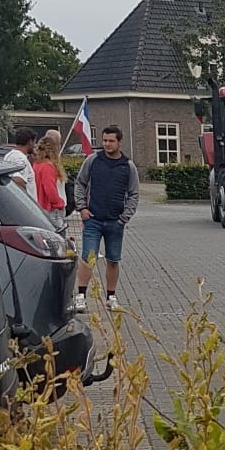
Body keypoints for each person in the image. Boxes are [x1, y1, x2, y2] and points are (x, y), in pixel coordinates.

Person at [75, 125, 139, 312]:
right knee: (88, 257)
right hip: (93, 219)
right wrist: (82, 208)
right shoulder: (93, 160)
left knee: (113, 259)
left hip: (115, 222)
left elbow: (134, 193)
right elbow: (80, 183)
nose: (107, 144)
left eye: (111, 141)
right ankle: (80, 296)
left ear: (119, 142)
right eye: (104, 141)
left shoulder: (128, 166)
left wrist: (124, 217)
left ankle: (111, 297)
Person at [31, 136, 68, 231]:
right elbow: (50, 189)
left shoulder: (37, 164)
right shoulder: (48, 167)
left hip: (40, 206)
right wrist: (59, 203)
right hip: (50, 209)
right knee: (58, 238)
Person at [1, 126, 36, 194]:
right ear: (30, 142)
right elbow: (18, 180)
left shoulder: (9, 155)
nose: (34, 145)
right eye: (34, 142)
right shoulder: (21, 159)